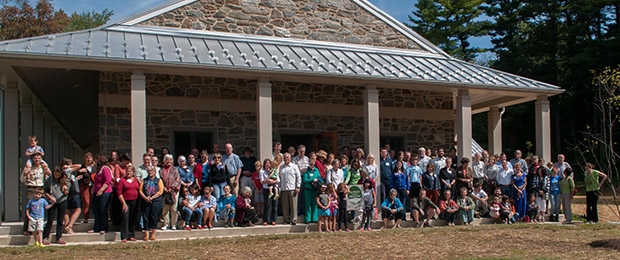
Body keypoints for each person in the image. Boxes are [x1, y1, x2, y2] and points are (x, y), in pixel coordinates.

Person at [20, 152, 50, 236]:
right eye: (35, 158)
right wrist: (26, 173)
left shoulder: (43, 168)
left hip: (40, 188)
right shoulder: (29, 168)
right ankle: (27, 229)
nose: (37, 160)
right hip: (31, 188)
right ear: (32, 159)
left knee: (42, 208)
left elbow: (49, 176)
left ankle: (40, 228)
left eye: (39, 158)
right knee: (30, 208)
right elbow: (22, 179)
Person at [42, 166, 70, 245]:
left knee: (60, 220)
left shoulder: (64, 180)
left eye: (58, 175)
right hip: (52, 202)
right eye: (55, 174)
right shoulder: (49, 180)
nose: (56, 176)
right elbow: (45, 191)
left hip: (62, 200)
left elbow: (68, 191)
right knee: (50, 220)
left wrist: (65, 190)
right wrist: (50, 198)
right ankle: (45, 237)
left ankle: (59, 237)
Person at [139, 165, 164, 241]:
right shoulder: (144, 180)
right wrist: (145, 198)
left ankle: (153, 234)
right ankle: (146, 234)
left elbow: (160, 191)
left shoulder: (159, 180)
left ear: (154, 172)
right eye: (149, 171)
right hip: (145, 200)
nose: (150, 172)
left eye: (152, 171)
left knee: (154, 217)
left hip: (156, 201)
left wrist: (153, 197)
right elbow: (140, 190)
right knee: (146, 217)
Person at [91, 154, 113, 235]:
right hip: (96, 192)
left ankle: (104, 227)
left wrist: (101, 190)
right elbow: (96, 181)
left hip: (105, 193)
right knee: (95, 209)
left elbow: (108, 181)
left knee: (103, 210)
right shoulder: (98, 170)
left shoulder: (105, 169)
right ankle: (96, 227)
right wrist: (94, 189)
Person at [117, 165, 140, 242]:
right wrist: (123, 203)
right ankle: (124, 236)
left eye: (130, 171)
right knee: (125, 218)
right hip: (125, 201)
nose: (129, 173)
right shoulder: (122, 180)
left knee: (132, 219)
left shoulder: (136, 180)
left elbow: (138, 189)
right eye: (127, 171)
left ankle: (131, 235)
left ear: (133, 172)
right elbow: (119, 193)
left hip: (135, 201)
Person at [160, 154, 181, 231]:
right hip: (165, 192)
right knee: (165, 208)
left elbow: (178, 180)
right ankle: (166, 224)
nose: (168, 161)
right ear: (164, 161)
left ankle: (173, 224)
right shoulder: (161, 170)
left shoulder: (175, 169)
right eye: (167, 160)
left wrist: (172, 188)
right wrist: (164, 188)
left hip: (174, 192)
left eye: (170, 160)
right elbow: (160, 180)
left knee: (174, 208)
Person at [280, 152, 301, 225]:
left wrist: (298, 186)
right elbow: (279, 178)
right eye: (285, 157)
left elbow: (298, 177)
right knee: (285, 206)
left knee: (293, 206)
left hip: (292, 188)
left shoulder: (294, 166)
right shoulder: (281, 167)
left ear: (290, 158)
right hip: (284, 189)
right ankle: (286, 219)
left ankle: (294, 219)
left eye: (287, 157)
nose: (286, 159)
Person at [260, 159, 279, 226]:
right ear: (264, 164)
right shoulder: (262, 172)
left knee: (275, 204)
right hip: (266, 189)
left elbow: (278, 180)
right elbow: (262, 181)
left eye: (269, 163)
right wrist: (268, 180)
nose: (268, 164)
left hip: (274, 188)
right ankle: (266, 220)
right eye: (266, 163)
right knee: (267, 204)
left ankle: (273, 219)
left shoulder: (273, 170)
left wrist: (272, 182)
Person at [303, 159, 320, 223]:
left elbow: (319, 178)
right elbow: (305, 180)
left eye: (313, 164)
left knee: (314, 204)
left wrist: (317, 180)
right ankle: (308, 219)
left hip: (315, 189)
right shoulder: (306, 171)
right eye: (310, 164)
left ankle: (314, 218)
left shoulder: (316, 170)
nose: (312, 165)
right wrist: (312, 180)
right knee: (308, 204)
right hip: (308, 190)